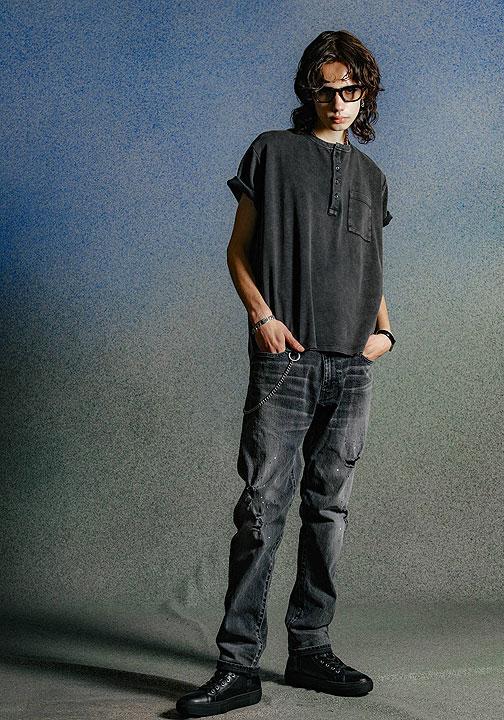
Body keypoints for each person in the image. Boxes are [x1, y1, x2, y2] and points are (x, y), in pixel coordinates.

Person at [176, 29, 395, 718]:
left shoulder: (372, 177)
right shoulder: (271, 152)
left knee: (328, 510)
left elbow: (370, 265)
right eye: (327, 90)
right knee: (261, 509)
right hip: (287, 359)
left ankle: (310, 648)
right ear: (310, 92)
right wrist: (262, 317)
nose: (339, 101)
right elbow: (238, 250)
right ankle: (238, 664)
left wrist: (385, 331)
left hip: (352, 365)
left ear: (365, 94)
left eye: (351, 89)